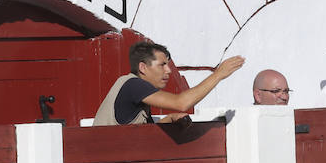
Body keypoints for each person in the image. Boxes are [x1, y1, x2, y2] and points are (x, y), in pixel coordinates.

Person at [92, 41, 244, 126]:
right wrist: (218, 74)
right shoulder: (134, 85)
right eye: (162, 65)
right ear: (143, 68)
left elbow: (146, 133)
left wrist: (170, 119)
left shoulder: (135, 88)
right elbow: (181, 103)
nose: (168, 71)